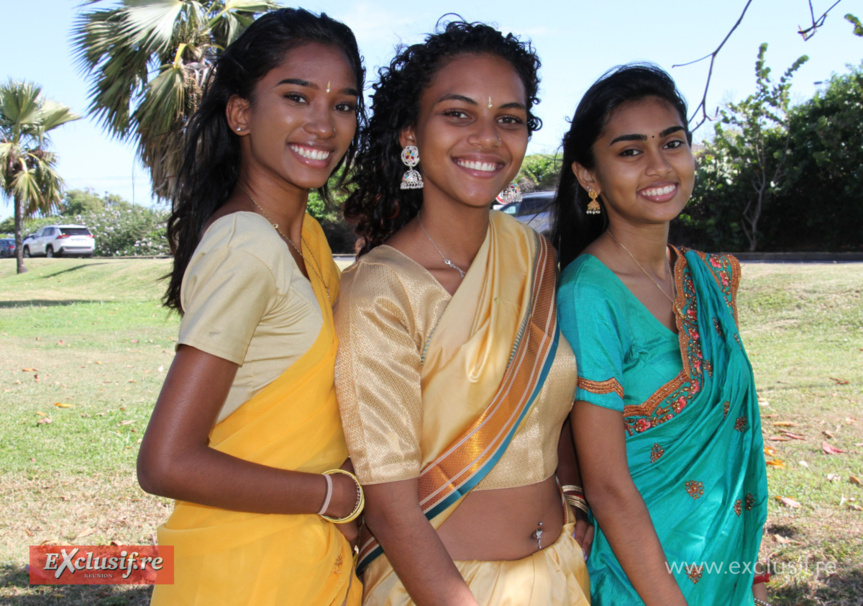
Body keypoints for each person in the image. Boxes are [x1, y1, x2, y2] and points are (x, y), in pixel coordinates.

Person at [334, 19, 591, 606]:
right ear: (410, 138)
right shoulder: (381, 290)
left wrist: (573, 497)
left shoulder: (531, 254)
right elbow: (390, 502)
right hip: (438, 588)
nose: (488, 137)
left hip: (556, 573)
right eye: (457, 113)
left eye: (509, 118)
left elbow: (553, 400)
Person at [136, 8, 366, 605]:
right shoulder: (246, 245)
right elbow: (166, 461)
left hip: (301, 566)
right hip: (239, 574)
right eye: (297, 96)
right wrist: (335, 495)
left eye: (343, 104)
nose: (323, 124)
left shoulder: (306, 238)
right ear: (241, 113)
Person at [551, 64, 769, 606]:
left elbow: (733, 441)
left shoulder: (707, 277)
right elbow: (607, 484)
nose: (658, 165)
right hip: (643, 579)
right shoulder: (588, 293)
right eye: (630, 151)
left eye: (672, 142)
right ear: (589, 177)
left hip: (724, 562)